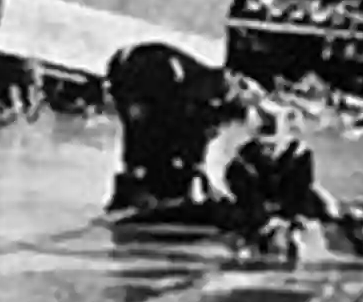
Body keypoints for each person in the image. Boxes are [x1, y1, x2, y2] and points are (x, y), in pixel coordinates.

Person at [102, 41, 255, 211]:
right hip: (149, 81)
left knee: (164, 142)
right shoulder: (191, 91)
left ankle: (156, 189)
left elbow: (193, 138)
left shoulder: (196, 96)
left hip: (149, 81)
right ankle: (152, 189)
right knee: (153, 141)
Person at [223, 104, 363, 263]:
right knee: (243, 220)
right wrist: (265, 217)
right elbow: (245, 195)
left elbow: (302, 186)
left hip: (294, 196)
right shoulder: (241, 162)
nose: (268, 149)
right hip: (259, 203)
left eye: (273, 143)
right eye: (263, 144)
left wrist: (296, 218)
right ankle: (249, 246)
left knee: (332, 209)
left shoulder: (300, 153)